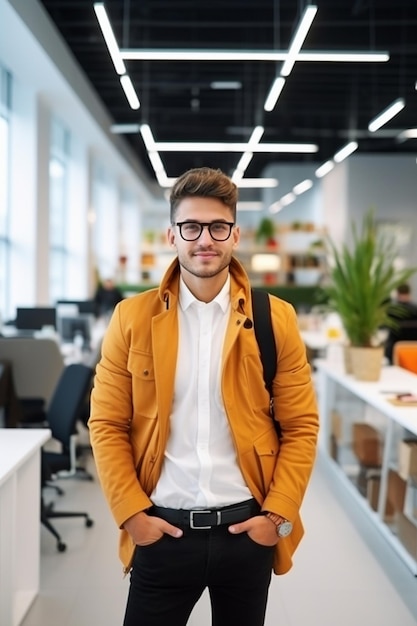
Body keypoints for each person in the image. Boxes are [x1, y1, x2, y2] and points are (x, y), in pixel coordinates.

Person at [89, 167, 319, 626]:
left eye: (218, 227)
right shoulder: (131, 318)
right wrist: (132, 514)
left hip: (246, 532)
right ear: (172, 235)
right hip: (161, 531)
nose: (204, 239)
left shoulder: (275, 320)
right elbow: (107, 424)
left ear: (234, 235)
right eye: (191, 227)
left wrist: (276, 518)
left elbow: (301, 427)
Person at [384, 283, 417, 363]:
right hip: (414, 351)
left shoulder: (391, 311)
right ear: (409, 293)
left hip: (393, 353)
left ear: (397, 293)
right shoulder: (415, 310)